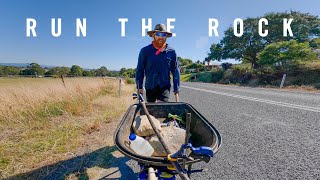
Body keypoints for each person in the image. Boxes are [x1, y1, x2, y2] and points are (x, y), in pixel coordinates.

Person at [136, 24, 180, 102]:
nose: (161, 37)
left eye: (163, 34)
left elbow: (175, 70)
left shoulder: (171, 52)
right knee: (152, 111)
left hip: (164, 86)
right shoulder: (145, 51)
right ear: (153, 35)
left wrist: (176, 88)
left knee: (163, 110)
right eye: (158, 34)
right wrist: (139, 87)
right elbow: (140, 69)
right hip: (150, 86)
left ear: (166, 36)